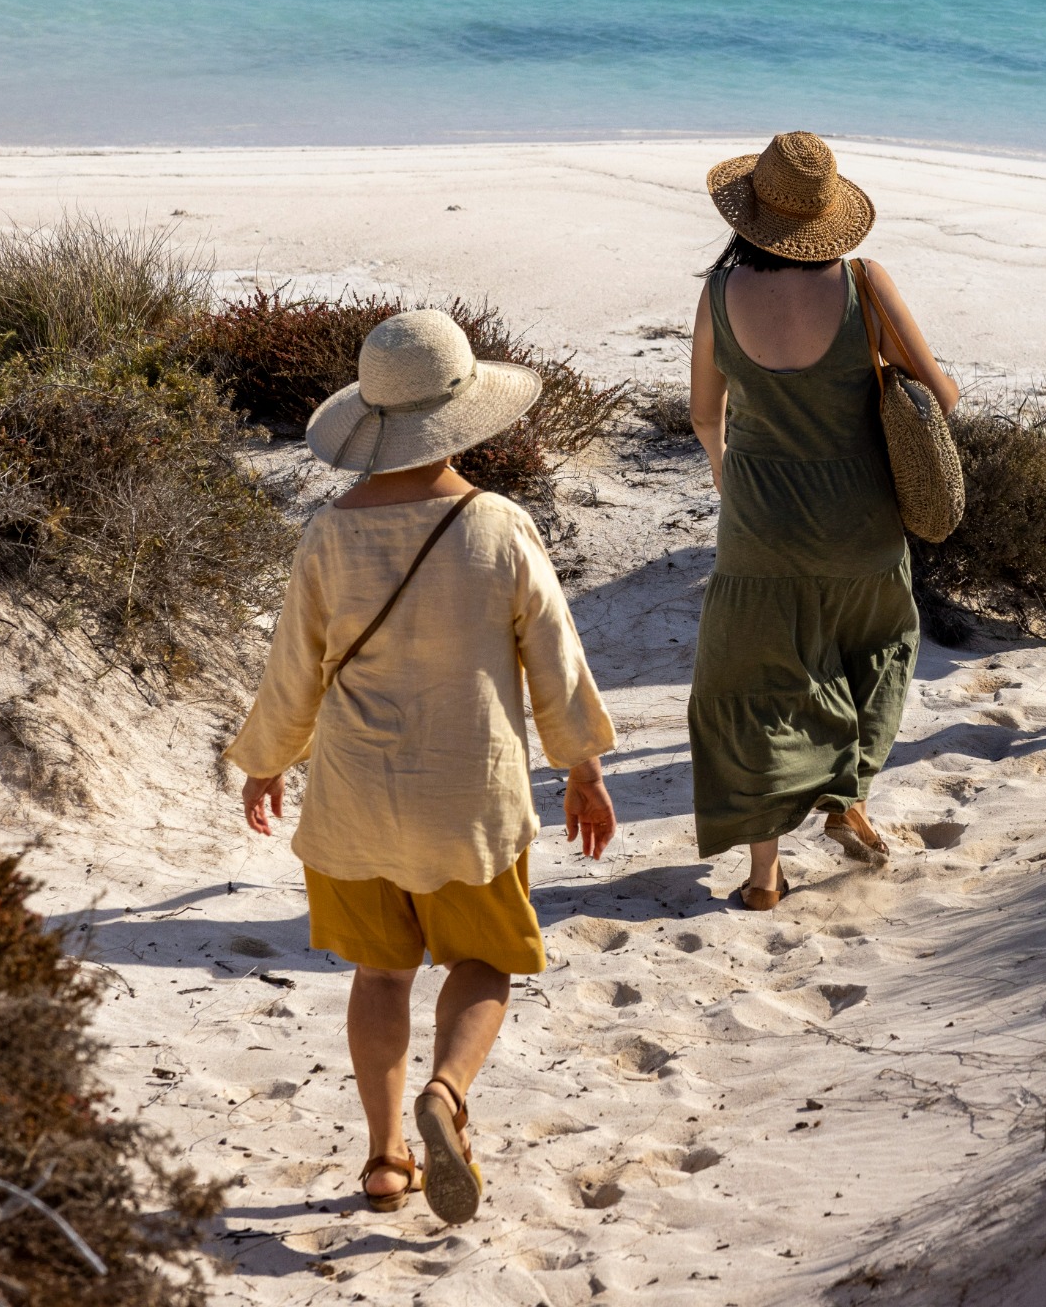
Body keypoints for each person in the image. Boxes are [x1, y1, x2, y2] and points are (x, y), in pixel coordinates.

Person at [228, 309, 620, 1227]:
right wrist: (583, 766)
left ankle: (382, 1158)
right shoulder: (499, 525)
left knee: (379, 975)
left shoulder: (329, 535)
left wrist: (265, 763)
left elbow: (293, 671)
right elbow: (555, 660)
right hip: (469, 798)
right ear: (462, 413)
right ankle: (445, 1094)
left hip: (356, 797)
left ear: (373, 420)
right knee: (484, 962)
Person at [687, 130, 960, 911]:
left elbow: (705, 415)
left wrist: (731, 477)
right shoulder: (864, 283)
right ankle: (848, 796)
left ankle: (763, 876)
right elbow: (940, 396)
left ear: (750, 215)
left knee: (758, 681)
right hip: (859, 515)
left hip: (758, 519)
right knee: (880, 645)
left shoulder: (719, 294)